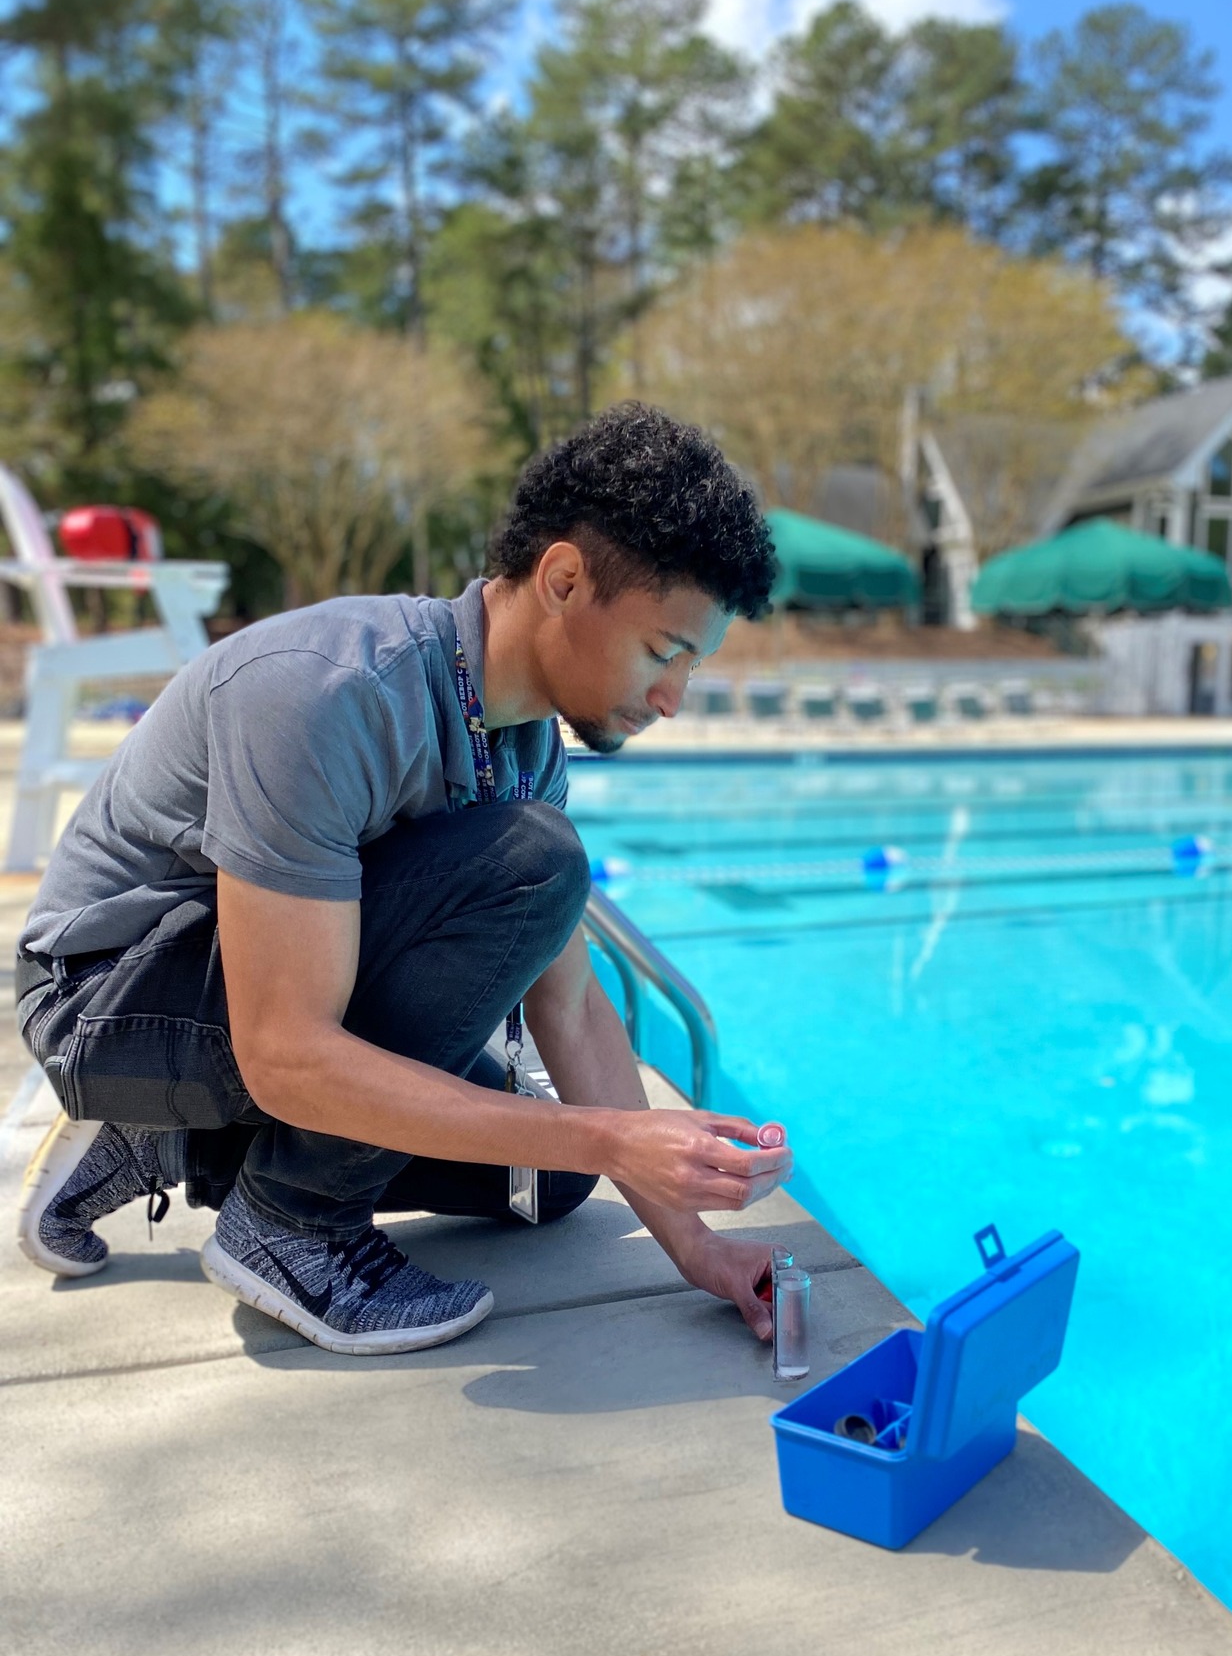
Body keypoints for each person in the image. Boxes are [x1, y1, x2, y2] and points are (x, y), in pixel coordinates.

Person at [14, 403, 793, 1357]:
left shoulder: (525, 745)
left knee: (543, 1180)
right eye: (664, 652)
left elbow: (574, 1004)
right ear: (561, 579)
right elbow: (287, 1051)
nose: (673, 698)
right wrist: (610, 1135)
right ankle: (289, 1230)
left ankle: (172, 1138)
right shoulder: (327, 694)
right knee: (536, 868)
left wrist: (696, 1243)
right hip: (108, 1001)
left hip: (252, 999)